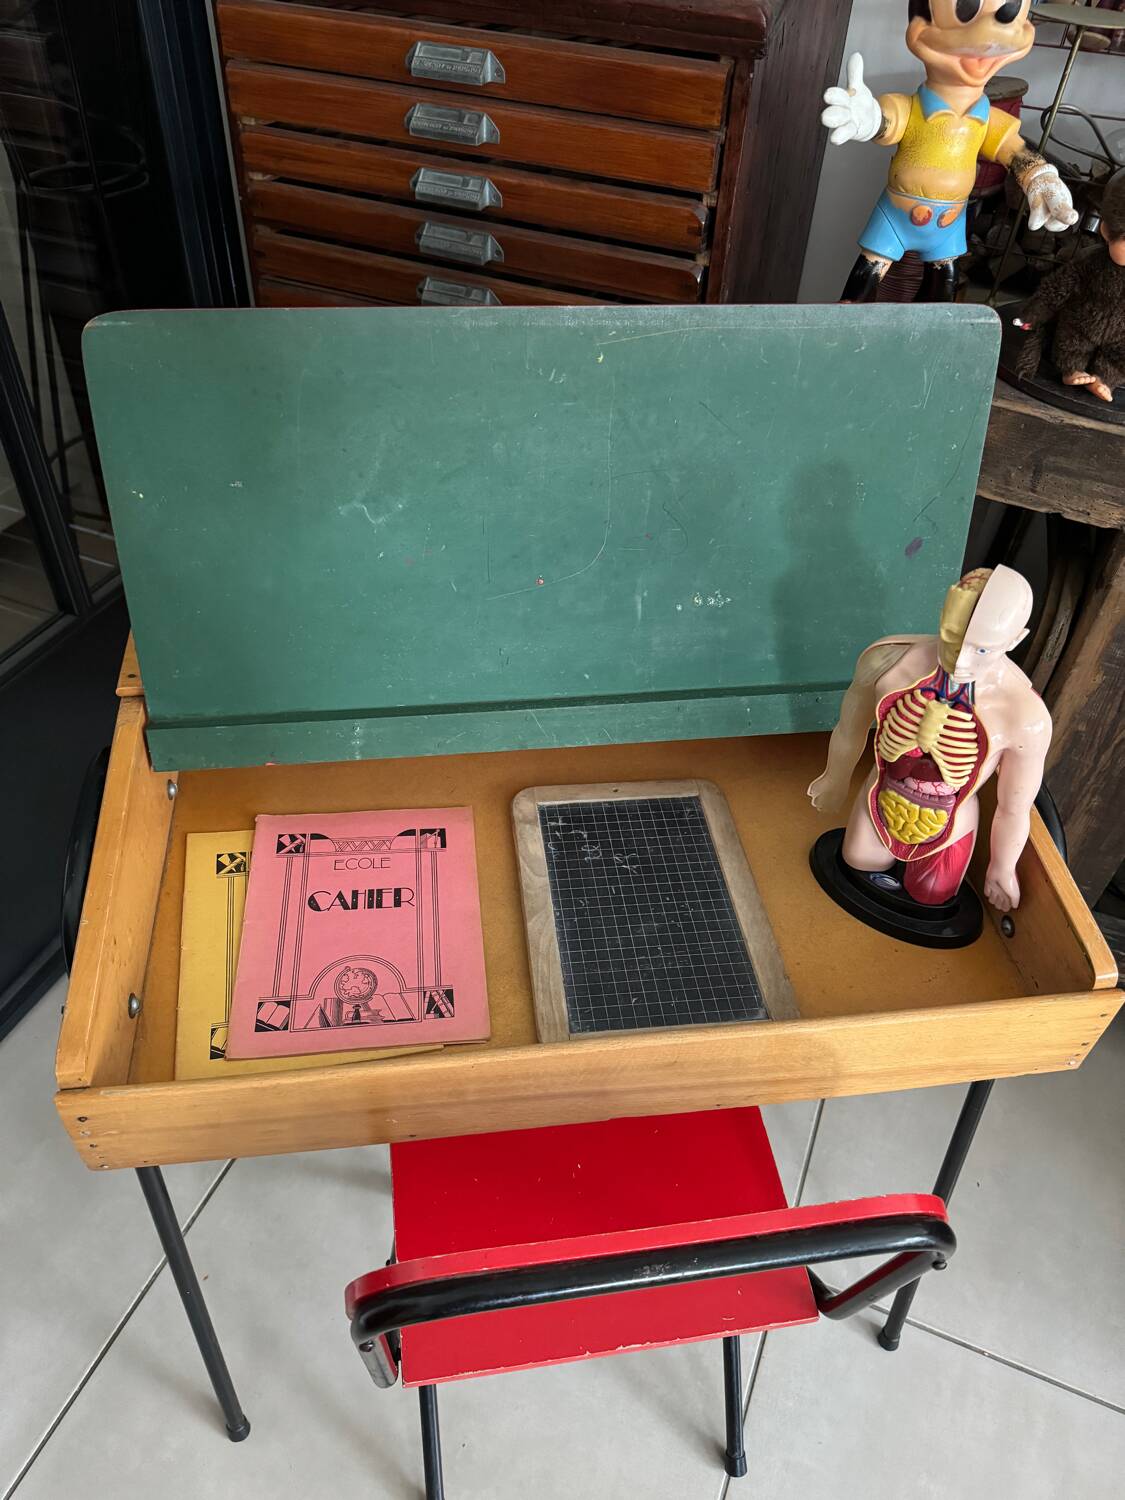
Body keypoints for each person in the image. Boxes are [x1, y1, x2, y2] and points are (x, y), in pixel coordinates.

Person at [808, 566, 1050, 913]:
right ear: (942, 615)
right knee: (857, 861)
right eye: (952, 636)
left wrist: (1002, 867)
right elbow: (850, 727)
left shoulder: (1025, 714)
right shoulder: (888, 661)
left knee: (933, 894)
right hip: (882, 793)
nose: (960, 660)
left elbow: (1014, 805)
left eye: (981, 650)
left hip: (951, 819)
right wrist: (835, 777)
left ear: (1015, 641)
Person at [822, 1, 1078, 302]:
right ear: (920, 24)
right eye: (967, 7)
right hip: (894, 217)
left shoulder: (987, 119)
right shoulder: (913, 108)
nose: (989, 35)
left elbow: (1014, 150)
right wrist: (867, 120)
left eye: (1008, 10)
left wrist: (1040, 177)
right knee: (857, 293)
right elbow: (885, 120)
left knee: (938, 306)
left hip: (948, 226)